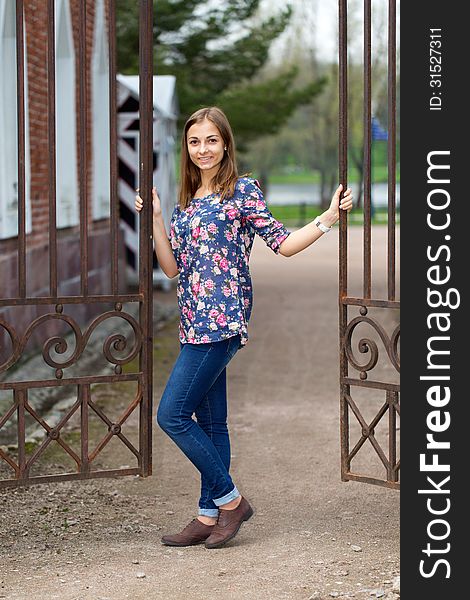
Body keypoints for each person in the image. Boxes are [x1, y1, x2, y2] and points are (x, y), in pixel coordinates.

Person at [135, 106, 353, 549]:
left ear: (226, 143)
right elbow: (171, 268)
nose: (203, 150)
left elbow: (283, 245)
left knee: (172, 415)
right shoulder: (185, 202)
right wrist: (157, 218)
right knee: (213, 424)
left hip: (223, 322)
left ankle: (231, 503)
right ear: (187, 148)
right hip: (193, 322)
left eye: (211, 140)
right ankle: (207, 514)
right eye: (195, 142)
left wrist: (327, 218)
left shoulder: (242, 192)